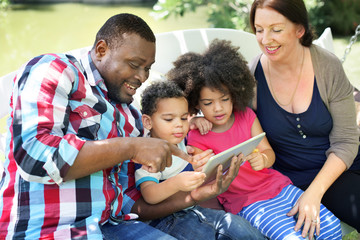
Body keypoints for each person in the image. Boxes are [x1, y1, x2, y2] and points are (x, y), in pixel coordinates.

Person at [0, 13, 265, 239]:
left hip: (115, 225)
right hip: (50, 229)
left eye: (148, 68)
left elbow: (135, 204)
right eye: (134, 65)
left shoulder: (129, 116)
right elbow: (34, 155)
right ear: (102, 50)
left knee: (238, 232)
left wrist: (197, 194)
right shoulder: (56, 70)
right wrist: (131, 146)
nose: (142, 77)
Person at [168, 39, 342, 240]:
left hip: (279, 187)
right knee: (293, 237)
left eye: (224, 99)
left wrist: (263, 159)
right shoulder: (198, 134)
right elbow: (202, 177)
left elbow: (268, 152)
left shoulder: (247, 116)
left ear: (234, 94)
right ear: (196, 103)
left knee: (330, 227)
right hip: (246, 202)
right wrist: (192, 122)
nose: (218, 108)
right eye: (208, 103)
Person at [248, 0, 360, 232]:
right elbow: (227, 116)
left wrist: (314, 194)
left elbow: (347, 142)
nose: (265, 39)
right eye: (259, 30)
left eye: (276, 29)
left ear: (300, 29)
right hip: (298, 178)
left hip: (343, 164)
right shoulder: (253, 77)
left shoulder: (327, 66)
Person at [133, 80, 264, 239]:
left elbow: (189, 123)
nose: (179, 125)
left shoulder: (177, 139)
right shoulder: (149, 154)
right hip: (168, 219)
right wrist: (176, 183)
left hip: (194, 209)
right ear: (148, 122)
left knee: (240, 228)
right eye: (169, 119)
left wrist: (195, 120)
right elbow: (150, 195)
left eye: (183, 118)